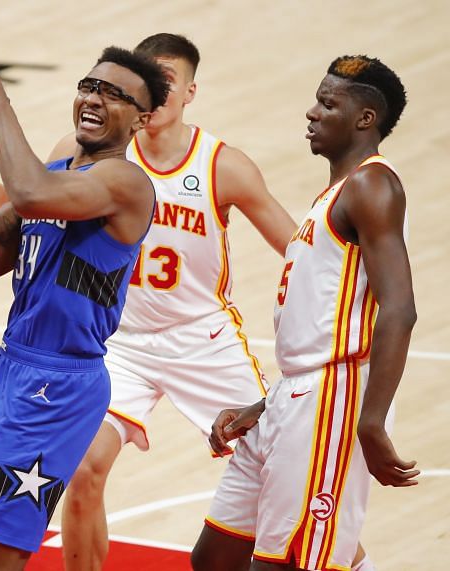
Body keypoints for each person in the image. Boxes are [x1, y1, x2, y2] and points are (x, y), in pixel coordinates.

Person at [0, 33, 295, 570]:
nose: (158, 92)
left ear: (187, 92)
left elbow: (296, 245)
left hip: (200, 337)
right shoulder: (83, 153)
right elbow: (35, 209)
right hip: (119, 342)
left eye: (168, 82)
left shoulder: (220, 165)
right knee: (85, 468)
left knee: (285, 464)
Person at [0, 47, 169, 570]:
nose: (94, 98)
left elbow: (32, 192)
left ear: (143, 119)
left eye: (114, 94)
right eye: (89, 85)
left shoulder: (126, 183)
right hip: (10, 366)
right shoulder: (57, 176)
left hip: (57, 383)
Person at [190, 55, 418, 571]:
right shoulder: (334, 194)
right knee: (215, 557)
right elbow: (315, 325)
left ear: (365, 119)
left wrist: (372, 421)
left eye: (328, 103)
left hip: (332, 398)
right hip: (292, 396)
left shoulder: (372, 186)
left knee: (282, 565)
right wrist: (263, 407)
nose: (312, 112)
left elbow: (400, 310)